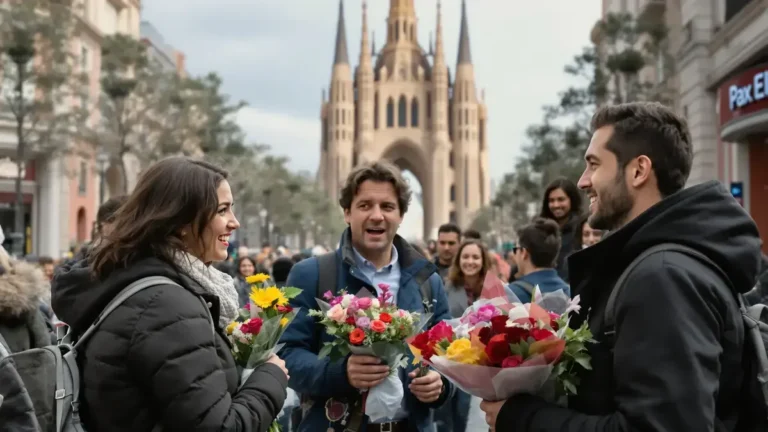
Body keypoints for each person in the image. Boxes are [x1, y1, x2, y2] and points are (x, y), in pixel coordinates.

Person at [480, 102, 762, 431]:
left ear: (638, 171)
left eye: (594, 164)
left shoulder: (662, 277)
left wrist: (522, 418)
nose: (583, 181)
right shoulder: (659, 265)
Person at [51, 157, 289, 431]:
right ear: (181, 222)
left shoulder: (139, 284)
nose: (234, 222)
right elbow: (218, 427)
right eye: (222, 210)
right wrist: (270, 376)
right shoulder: (167, 306)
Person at [281, 161, 454, 432]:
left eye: (387, 206)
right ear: (347, 212)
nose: (377, 215)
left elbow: (451, 356)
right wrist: (341, 372)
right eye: (365, 205)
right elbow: (286, 356)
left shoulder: (427, 281)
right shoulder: (312, 274)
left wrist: (440, 384)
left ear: (401, 215)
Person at [506, 218, 570, 304]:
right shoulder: (571, 293)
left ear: (524, 253)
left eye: (515, 250)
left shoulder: (511, 294)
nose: (514, 255)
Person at [539, 177, 583, 282]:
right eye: (551, 200)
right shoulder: (540, 229)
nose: (556, 205)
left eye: (561, 199)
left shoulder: (581, 228)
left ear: (571, 200)